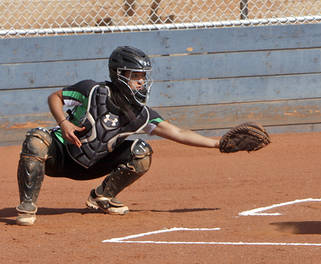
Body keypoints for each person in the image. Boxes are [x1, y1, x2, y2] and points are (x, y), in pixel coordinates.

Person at [16, 46, 226, 226]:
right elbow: (55, 97)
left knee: (141, 152)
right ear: (119, 74)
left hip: (95, 164)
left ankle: (103, 195)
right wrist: (64, 123)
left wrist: (218, 143)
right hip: (61, 156)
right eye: (135, 76)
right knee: (36, 138)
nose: (141, 82)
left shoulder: (140, 114)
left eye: (143, 77)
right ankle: (27, 205)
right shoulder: (92, 90)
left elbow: (177, 132)